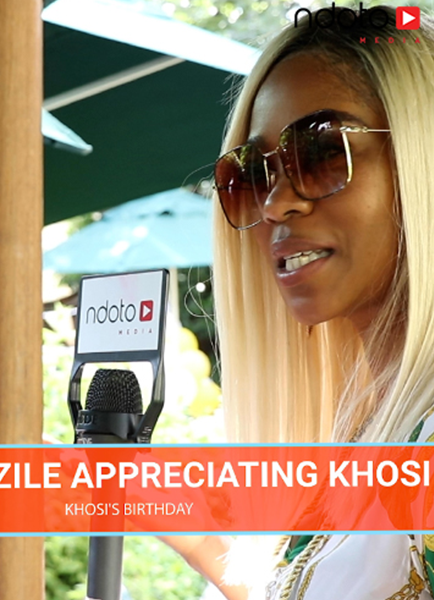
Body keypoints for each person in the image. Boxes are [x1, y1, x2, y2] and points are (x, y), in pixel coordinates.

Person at [172, 6, 434, 600]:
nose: (274, 204)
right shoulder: (366, 436)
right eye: (253, 175)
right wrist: (190, 535)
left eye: (320, 152)